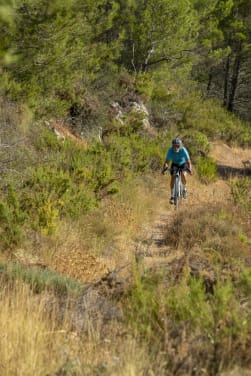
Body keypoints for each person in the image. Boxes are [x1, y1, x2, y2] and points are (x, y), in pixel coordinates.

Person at [162, 138, 192, 204]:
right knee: (173, 177)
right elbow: (167, 162)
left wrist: (189, 169)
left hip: (183, 163)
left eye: (177, 146)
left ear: (180, 146)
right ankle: (172, 196)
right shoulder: (170, 150)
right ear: (172, 146)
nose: (176, 148)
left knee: (183, 175)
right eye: (174, 146)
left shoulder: (183, 150)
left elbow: (189, 162)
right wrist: (164, 168)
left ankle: (184, 189)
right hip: (175, 164)